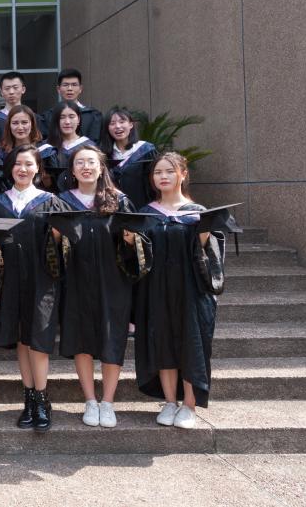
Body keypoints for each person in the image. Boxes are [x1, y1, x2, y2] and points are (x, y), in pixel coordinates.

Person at [0, 144, 68, 433]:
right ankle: (29, 398)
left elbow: (67, 244)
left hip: (42, 280)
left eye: (29, 164)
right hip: (11, 280)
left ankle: (42, 400)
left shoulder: (51, 201)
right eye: (18, 164)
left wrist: (58, 237)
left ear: (37, 169)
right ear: (10, 168)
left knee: (38, 338)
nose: (23, 169)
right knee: (22, 338)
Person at [133, 152, 219, 430]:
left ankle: (189, 405)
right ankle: (170, 401)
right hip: (156, 290)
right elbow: (137, 259)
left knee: (191, 345)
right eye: (158, 172)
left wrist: (204, 237)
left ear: (183, 174)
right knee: (162, 343)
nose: (163, 176)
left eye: (170, 171)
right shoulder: (146, 213)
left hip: (191, 292)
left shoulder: (198, 212)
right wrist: (130, 242)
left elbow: (211, 257)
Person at [54, 146, 137, 429]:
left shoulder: (119, 201)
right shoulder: (62, 202)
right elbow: (51, 248)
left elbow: (137, 246)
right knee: (82, 339)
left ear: (101, 168)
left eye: (91, 162)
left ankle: (108, 401)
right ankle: (90, 400)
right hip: (76, 281)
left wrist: (132, 241)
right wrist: (54, 237)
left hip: (113, 282)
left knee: (112, 338)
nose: (86, 167)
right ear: (72, 170)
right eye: (80, 163)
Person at [101, 106, 157, 209]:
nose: (118, 126)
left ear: (131, 124)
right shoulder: (104, 155)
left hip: (143, 209)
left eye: (122, 122)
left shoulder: (146, 150)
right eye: (112, 123)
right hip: (114, 211)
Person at [38, 69, 102, 142]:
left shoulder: (93, 116)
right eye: (65, 85)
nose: (70, 89)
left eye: (74, 85)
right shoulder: (48, 116)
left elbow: (96, 142)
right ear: (58, 89)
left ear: (80, 89)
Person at [48, 101, 98, 191]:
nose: (67, 122)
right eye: (62, 117)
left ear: (78, 120)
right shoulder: (47, 147)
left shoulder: (89, 146)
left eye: (71, 117)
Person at [0, 71, 27, 150]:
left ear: (23, 89)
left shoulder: (32, 118)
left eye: (15, 87)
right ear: (1, 92)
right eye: (7, 88)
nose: (11, 92)